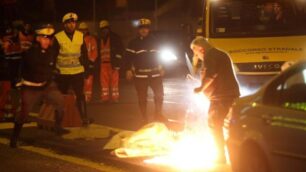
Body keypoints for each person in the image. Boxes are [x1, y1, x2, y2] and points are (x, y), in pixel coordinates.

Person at [10, 24, 66, 148]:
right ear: (38, 39)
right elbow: (20, 67)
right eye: (45, 38)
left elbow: (50, 66)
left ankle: (58, 127)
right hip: (30, 86)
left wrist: (54, 72)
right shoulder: (30, 53)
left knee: (60, 101)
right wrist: (17, 79)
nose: (48, 41)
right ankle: (14, 139)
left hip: (45, 84)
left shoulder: (51, 52)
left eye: (49, 39)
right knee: (24, 114)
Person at [192, 36, 240, 163]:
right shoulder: (220, 53)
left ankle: (220, 156)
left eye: (194, 51)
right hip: (229, 94)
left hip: (221, 96)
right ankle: (235, 154)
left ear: (201, 48)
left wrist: (201, 88)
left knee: (214, 124)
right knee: (229, 125)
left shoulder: (210, 55)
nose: (195, 54)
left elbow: (211, 75)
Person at [53, 12, 92, 126]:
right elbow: (53, 54)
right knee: (61, 98)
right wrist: (53, 70)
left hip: (77, 72)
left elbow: (84, 53)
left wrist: (87, 68)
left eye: (73, 23)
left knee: (80, 96)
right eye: (68, 23)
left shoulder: (80, 36)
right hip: (62, 73)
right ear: (64, 25)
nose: (71, 25)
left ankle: (84, 118)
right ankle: (58, 121)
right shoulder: (58, 37)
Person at [125, 18, 166, 124]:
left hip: (155, 74)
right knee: (142, 98)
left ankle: (158, 114)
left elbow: (161, 56)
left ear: (149, 29)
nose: (144, 30)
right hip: (140, 76)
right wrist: (128, 70)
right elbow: (128, 58)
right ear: (138, 30)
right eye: (141, 28)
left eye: (146, 28)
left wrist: (163, 67)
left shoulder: (156, 41)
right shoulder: (133, 43)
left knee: (159, 95)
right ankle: (144, 118)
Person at [98, 20, 124, 103]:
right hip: (103, 64)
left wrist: (117, 62)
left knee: (114, 81)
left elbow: (121, 50)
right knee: (104, 82)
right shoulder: (100, 38)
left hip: (113, 63)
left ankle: (115, 97)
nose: (104, 30)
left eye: (105, 28)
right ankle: (105, 97)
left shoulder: (115, 38)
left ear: (108, 28)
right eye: (102, 29)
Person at [78, 22, 98, 102]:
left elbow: (95, 52)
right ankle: (79, 96)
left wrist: (91, 62)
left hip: (88, 63)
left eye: (84, 30)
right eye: (81, 30)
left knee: (88, 80)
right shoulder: (76, 40)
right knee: (79, 81)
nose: (83, 31)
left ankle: (87, 97)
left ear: (87, 30)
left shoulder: (91, 39)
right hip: (79, 63)